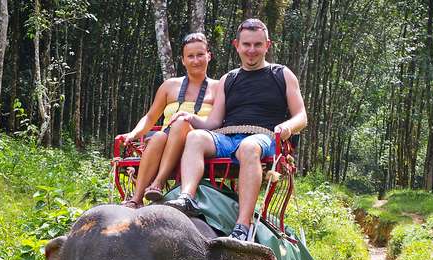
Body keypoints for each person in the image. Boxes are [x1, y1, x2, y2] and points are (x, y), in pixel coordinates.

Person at [165, 18, 307, 240]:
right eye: (246, 45)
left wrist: (287, 126)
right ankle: (187, 197)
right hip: (227, 137)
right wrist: (190, 118)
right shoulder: (228, 79)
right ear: (236, 45)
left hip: (264, 137)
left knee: (249, 146)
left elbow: (301, 116)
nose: (251, 50)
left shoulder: (282, 74)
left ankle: (243, 225)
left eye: (257, 45)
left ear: (267, 45)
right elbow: (213, 122)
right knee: (196, 138)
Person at [117, 33, 218, 209]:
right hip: (166, 140)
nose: (196, 60)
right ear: (183, 60)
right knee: (157, 137)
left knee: (180, 122)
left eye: (200, 55)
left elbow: (220, 119)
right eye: (190, 56)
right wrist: (133, 134)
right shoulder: (169, 85)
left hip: (198, 142)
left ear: (209, 55)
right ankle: (136, 198)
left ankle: (159, 181)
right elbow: (150, 117)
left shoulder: (219, 87)